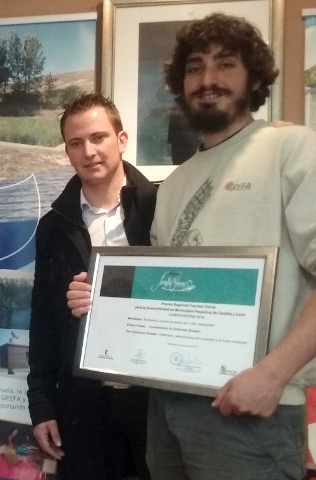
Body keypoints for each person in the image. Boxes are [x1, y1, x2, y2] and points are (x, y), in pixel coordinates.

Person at [70, 13, 316, 479]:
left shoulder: (293, 150)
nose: (207, 79)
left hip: (251, 413)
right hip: (168, 407)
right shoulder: (176, 182)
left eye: (225, 64)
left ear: (254, 77)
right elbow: (162, 293)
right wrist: (98, 301)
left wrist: (273, 375)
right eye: (194, 67)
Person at [27, 93, 155, 480]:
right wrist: (42, 404)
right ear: (66, 151)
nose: (89, 151)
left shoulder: (161, 207)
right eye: (76, 142)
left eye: (99, 137)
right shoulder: (53, 226)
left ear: (121, 139)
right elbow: (43, 320)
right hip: (83, 404)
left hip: (155, 402)